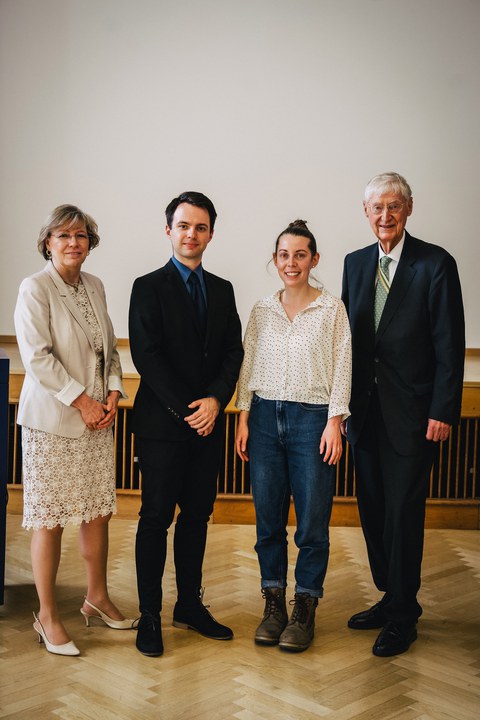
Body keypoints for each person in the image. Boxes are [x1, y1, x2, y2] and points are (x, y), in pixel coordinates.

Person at [341, 172, 465, 657]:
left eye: (394, 206)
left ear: (409, 210)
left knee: (403, 513)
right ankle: (389, 594)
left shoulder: (435, 264)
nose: (385, 216)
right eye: (377, 208)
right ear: (366, 213)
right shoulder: (354, 264)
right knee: (372, 509)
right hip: (363, 413)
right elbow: (346, 341)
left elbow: (448, 343)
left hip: (414, 416)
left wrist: (443, 410)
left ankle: (402, 615)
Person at [14, 204, 133, 658]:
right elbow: (38, 358)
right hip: (54, 422)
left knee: (97, 513)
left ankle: (96, 597)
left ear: (90, 242)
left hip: (98, 419)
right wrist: (84, 402)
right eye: (62, 236)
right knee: (49, 520)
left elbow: (110, 350)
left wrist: (115, 396)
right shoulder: (35, 288)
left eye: (80, 235)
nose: (73, 243)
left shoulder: (96, 286)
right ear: (47, 242)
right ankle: (46, 615)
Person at [129, 191, 244, 657]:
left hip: (208, 426)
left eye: (200, 227)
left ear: (210, 234)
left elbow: (233, 352)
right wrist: (190, 410)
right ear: (168, 230)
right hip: (163, 427)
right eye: (183, 225)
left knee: (197, 517)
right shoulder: (147, 286)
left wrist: (216, 401)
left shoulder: (223, 289)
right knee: (155, 520)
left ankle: (189, 607)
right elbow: (147, 358)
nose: (191, 234)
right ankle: (150, 614)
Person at [235, 220, 351, 652]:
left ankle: (304, 607)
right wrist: (243, 417)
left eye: (300, 255)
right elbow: (247, 366)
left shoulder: (331, 309)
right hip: (264, 419)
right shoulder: (262, 309)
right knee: (268, 522)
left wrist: (335, 422)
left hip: (312, 420)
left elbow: (344, 366)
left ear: (314, 260)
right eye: (284, 255)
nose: (291, 263)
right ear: (275, 259)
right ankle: (273, 604)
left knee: (312, 524)